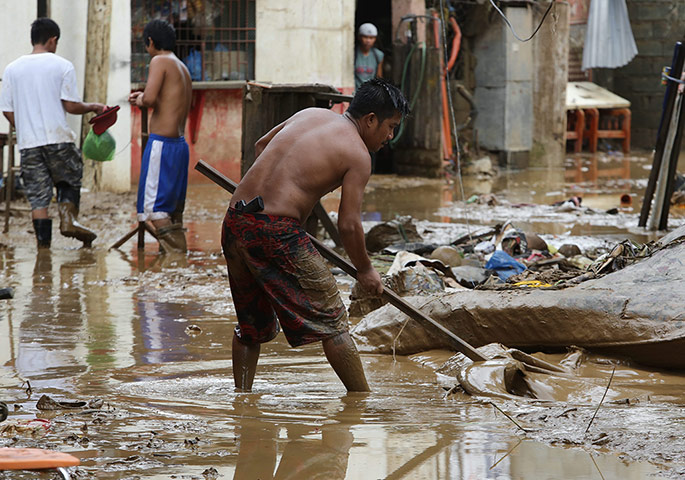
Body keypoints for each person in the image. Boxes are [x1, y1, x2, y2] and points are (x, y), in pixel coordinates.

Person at [222, 78, 409, 392]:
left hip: (236, 220)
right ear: (370, 120)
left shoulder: (310, 115)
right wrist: (365, 269)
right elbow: (348, 225)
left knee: (250, 326)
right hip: (276, 230)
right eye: (390, 127)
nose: (390, 136)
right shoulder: (358, 155)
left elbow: (261, 146)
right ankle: (361, 403)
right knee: (334, 320)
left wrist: (289, 198)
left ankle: (242, 400)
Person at [0, 18, 105, 249]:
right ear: (53, 39)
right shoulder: (62, 65)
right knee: (70, 177)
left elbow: (7, 111)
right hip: (58, 140)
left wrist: (26, 126)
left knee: (38, 198)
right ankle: (68, 220)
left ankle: (43, 252)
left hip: (29, 144)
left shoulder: (12, 69)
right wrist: (94, 106)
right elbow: (71, 106)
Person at [129, 19, 192, 253]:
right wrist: (144, 96)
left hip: (162, 145)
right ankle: (175, 267)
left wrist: (139, 99)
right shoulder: (181, 66)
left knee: (153, 209)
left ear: (151, 42)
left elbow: (151, 99)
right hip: (179, 145)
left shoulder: (159, 61)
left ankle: (177, 258)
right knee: (173, 210)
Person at [354, 23, 384, 91]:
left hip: (369, 94)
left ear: (375, 39)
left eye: (371, 38)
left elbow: (379, 77)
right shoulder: (354, 54)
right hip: (355, 93)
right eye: (365, 37)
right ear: (359, 37)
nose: (368, 41)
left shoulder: (378, 55)